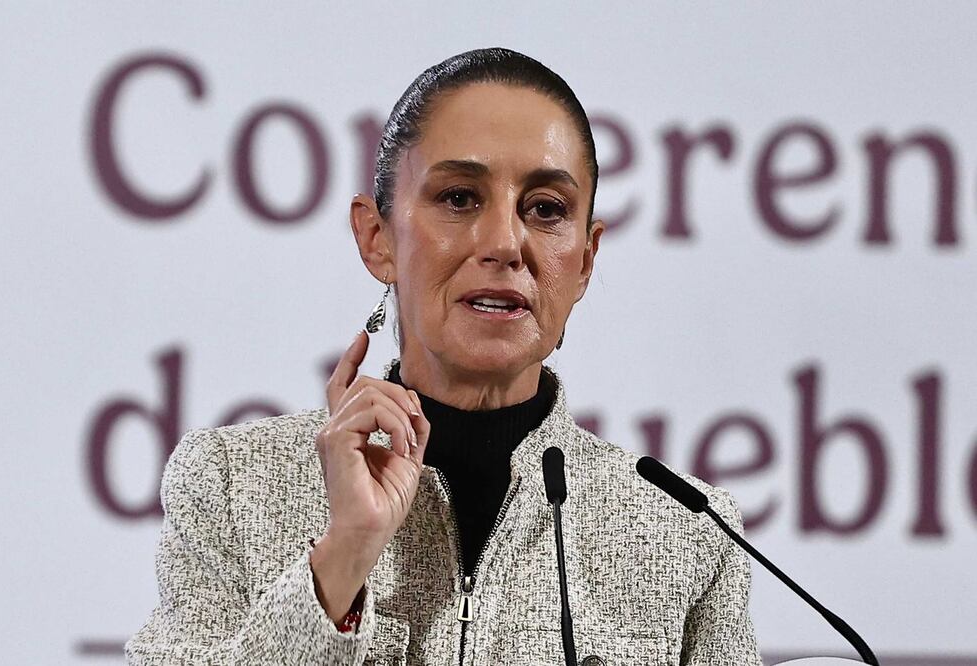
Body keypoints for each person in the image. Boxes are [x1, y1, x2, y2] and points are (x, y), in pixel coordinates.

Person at [125, 47, 761, 665]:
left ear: (585, 262)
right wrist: (345, 553)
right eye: (459, 198)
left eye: (545, 209)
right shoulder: (231, 485)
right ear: (377, 237)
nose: (506, 243)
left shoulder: (690, 535)